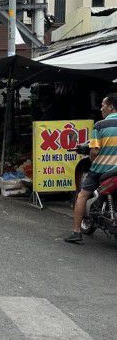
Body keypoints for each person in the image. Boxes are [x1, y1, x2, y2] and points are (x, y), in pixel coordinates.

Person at [66, 93, 117, 244]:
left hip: (103, 170)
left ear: (111, 107)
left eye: (103, 105)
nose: (101, 108)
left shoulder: (100, 125)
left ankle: (76, 232)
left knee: (82, 195)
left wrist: (93, 160)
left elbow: (94, 151)